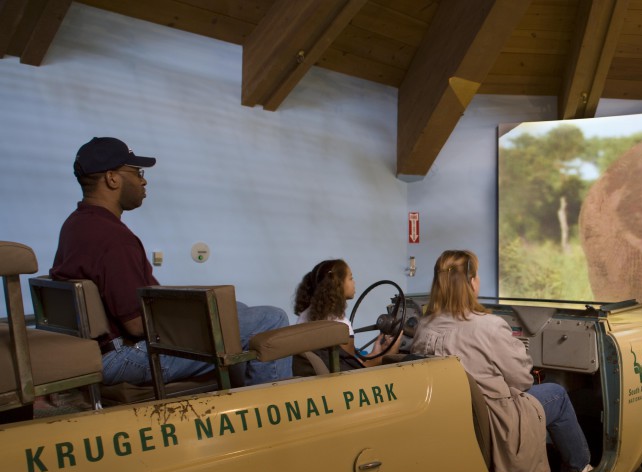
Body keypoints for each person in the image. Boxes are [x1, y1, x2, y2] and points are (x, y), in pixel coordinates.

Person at [50, 136, 292, 386]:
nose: (143, 180)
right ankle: (271, 410)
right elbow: (135, 324)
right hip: (127, 356)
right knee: (271, 318)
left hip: (101, 349)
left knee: (233, 309)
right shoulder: (112, 237)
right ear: (112, 178)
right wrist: (192, 320)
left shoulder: (76, 224)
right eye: (137, 172)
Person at [410, 249, 594, 472]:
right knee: (556, 393)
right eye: (476, 275)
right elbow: (523, 380)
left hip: (452, 419)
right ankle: (581, 468)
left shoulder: (424, 326)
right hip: (495, 421)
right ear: (471, 282)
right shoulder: (489, 326)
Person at [292, 258, 397, 368]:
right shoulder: (340, 324)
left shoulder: (305, 315)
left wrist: (375, 353)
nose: (354, 282)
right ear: (338, 284)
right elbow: (351, 370)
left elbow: (347, 362)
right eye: (351, 278)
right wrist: (387, 355)